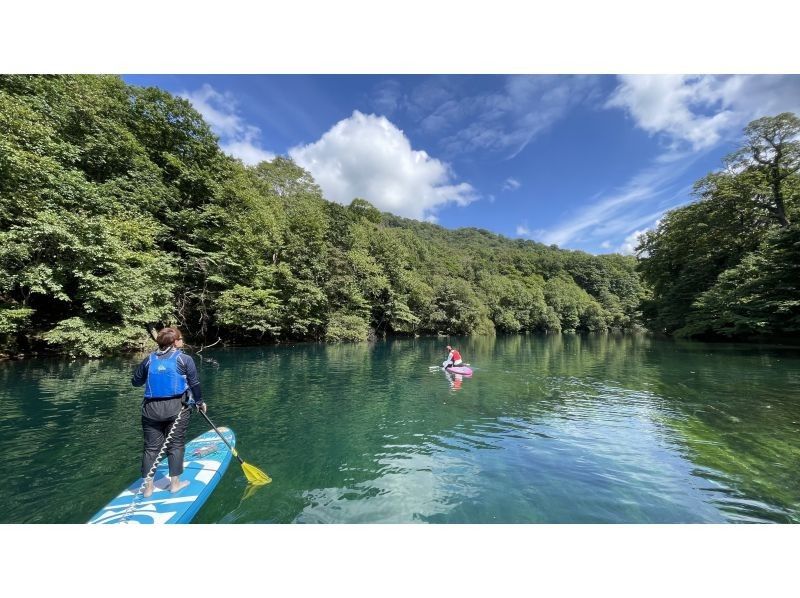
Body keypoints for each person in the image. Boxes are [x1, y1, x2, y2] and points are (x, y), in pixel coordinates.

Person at [131, 326, 206, 497]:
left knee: (151, 448)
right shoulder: (185, 359)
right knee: (175, 445)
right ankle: (175, 485)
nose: (182, 341)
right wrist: (199, 402)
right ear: (174, 342)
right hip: (177, 409)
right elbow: (194, 383)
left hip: (150, 410)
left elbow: (135, 382)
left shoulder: (148, 360)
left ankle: (148, 489)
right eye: (180, 339)